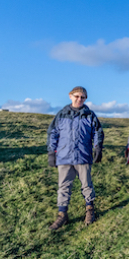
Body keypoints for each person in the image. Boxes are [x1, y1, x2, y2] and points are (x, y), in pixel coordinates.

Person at [47, 86, 104, 230]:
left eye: (83, 97)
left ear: (85, 99)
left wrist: (98, 147)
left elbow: (98, 132)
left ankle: (90, 210)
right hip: (64, 157)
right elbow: (53, 133)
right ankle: (62, 215)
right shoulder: (61, 114)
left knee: (86, 185)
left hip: (83, 156)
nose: (79, 99)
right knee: (64, 186)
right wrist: (52, 152)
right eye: (77, 96)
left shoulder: (89, 115)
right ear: (70, 96)